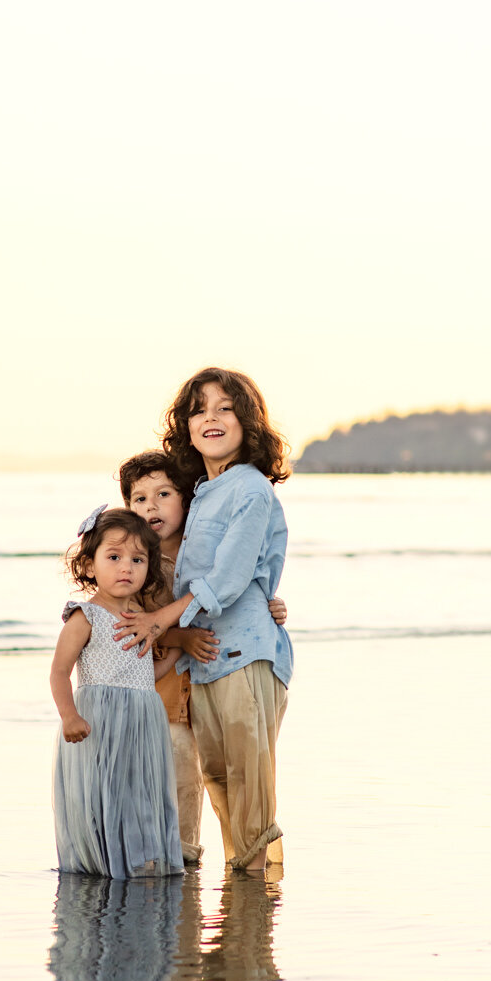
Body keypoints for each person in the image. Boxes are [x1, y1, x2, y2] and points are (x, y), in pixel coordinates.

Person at [115, 371, 293, 873]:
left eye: (224, 408)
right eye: (199, 409)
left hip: (246, 656)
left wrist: (160, 621)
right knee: (221, 786)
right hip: (210, 664)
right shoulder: (202, 494)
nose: (211, 417)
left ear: (248, 421)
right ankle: (243, 913)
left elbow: (230, 578)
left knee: (249, 790)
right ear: (187, 428)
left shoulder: (251, 488)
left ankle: (256, 911)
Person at [50, 506, 184, 880]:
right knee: (103, 793)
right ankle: (106, 863)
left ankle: (138, 862)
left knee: (138, 793)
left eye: (137, 559)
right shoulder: (84, 616)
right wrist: (69, 715)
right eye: (114, 557)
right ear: (90, 566)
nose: (126, 567)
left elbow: (142, 673)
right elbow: (60, 671)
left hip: (142, 720)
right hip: (100, 721)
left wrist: (176, 651)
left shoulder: (140, 617)